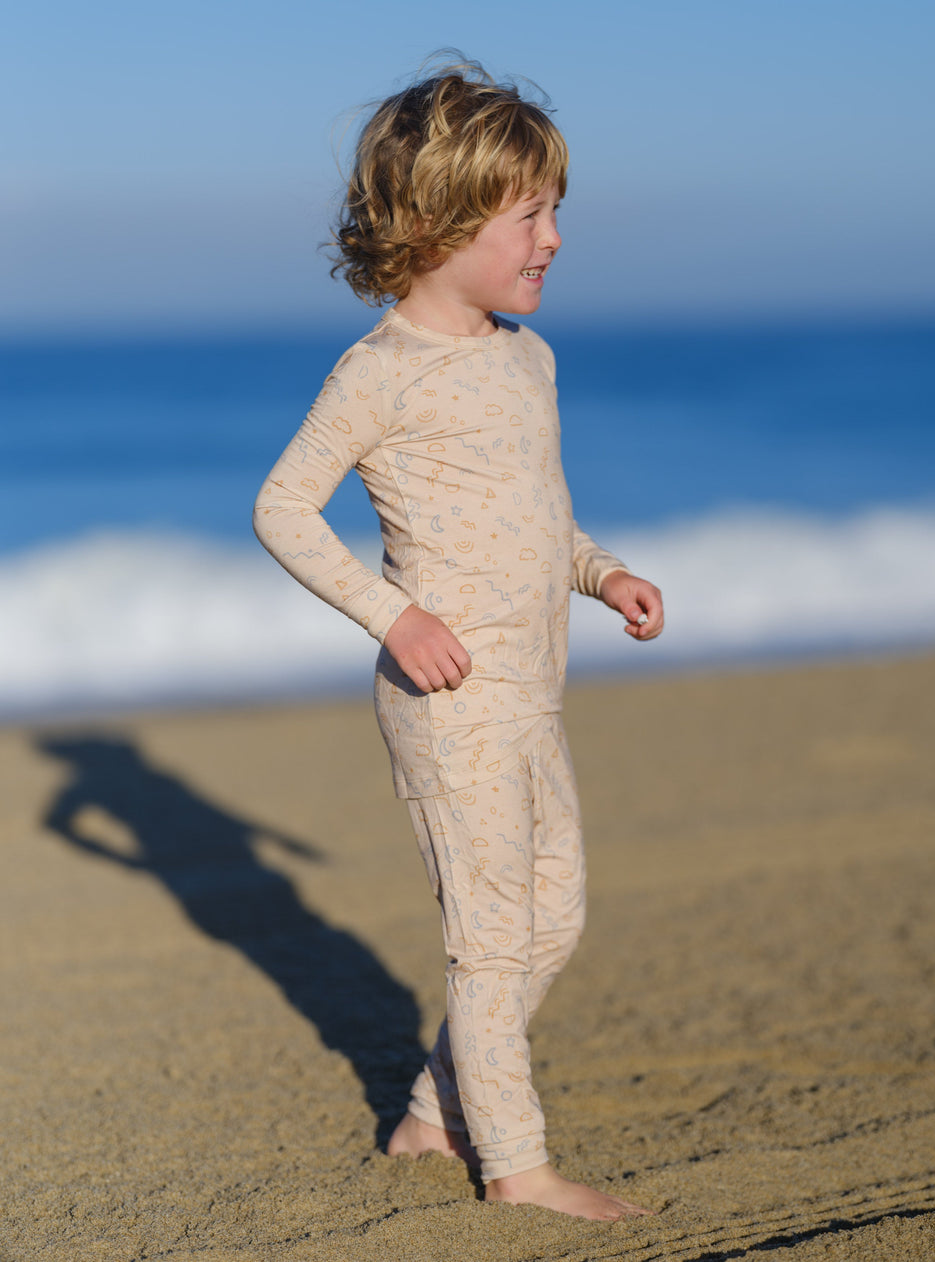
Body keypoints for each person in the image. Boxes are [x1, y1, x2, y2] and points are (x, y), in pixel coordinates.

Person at [253, 60, 664, 1220]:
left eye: (554, 211)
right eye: (529, 214)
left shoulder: (526, 360)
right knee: (490, 945)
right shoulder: (378, 373)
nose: (554, 239)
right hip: (449, 699)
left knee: (557, 917)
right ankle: (517, 1165)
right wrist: (398, 615)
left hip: (533, 690)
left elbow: (543, 513)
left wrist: (603, 571)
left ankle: (432, 1116)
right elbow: (282, 507)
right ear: (436, 222)